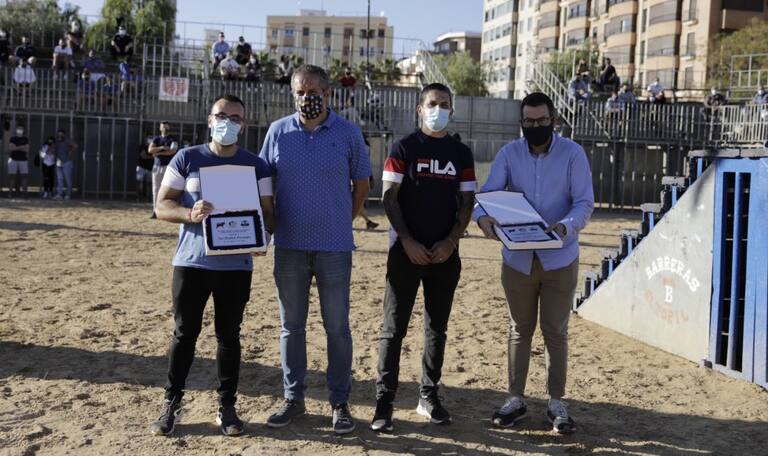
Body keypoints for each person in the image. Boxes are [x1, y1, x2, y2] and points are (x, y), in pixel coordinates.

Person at [149, 94, 275, 437]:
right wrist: (189, 213)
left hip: (236, 267)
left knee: (229, 337)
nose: (227, 123)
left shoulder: (257, 166)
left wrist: (262, 238)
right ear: (209, 120)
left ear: (243, 125)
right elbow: (162, 206)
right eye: (221, 115)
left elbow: (269, 214)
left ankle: (227, 407)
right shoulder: (186, 158)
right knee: (184, 334)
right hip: (191, 262)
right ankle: (171, 403)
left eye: (235, 118)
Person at [259, 64, 371, 435]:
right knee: (291, 327)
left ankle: (340, 401)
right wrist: (271, 221)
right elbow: (264, 182)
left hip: (334, 247)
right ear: (293, 94)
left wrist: (342, 220)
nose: (307, 97)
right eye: (300, 91)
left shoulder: (348, 132)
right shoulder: (278, 131)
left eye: (313, 91)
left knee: (337, 327)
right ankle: (294, 398)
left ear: (327, 94)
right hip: (289, 246)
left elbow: (361, 184)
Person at [474, 92, 594, 435]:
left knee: (555, 331)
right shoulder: (508, 154)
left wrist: (565, 227)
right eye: (529, 121)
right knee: (519, 329)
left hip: (560, 256)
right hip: (518, 259)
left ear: (553, 120)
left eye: (542, 120)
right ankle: (515, 399)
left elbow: (584, 202)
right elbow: (487, 196)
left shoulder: (573, 154)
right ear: (521, 122)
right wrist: (483, 219)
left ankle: (557, 403)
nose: (535, 126)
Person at [370, 83, 476, 433]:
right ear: (420, 109)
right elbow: (389, 197)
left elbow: (467, 202)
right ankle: (384, 401)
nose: (438, 109)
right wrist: (406, 240)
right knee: (393, 329)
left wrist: (451, 241)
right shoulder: (403, 148)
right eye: (432, 103)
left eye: (444, 104)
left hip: (445, 254)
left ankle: (428, 396)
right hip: (405, 253)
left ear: (452, 110)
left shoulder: (461, 153)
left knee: (436, 329)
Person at [147, 121, 178, 218]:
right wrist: (163, 147)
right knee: (155, 189)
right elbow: (150, 150)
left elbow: (172, 151)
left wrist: (158, 153)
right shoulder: (156, 139)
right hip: (157, 166)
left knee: (169, 190)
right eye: (162, 126)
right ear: (160, 128)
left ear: (168, 127)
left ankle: (167, 212)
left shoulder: (173, 139)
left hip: (168, 167)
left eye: (166, 126)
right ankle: (155, 211)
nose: (164, 128)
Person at [6, 124, 30, 196]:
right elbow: (11, 148)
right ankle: (10, 193)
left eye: (21, 129)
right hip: (13, 159)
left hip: (23, 160)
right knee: (12, 176)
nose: (20, 130)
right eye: (18, 128)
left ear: (23, 130)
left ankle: (25, 193)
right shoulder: (12, 138)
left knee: (24, 176)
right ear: (16, 130)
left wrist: (16, 147)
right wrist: (22, 147)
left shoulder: (25, 139)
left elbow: (27, 149)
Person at [53, 129, 77, 200]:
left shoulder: (67, 140)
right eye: (59, 134)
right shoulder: (57, 141)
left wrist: (70, 151)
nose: (60, 136)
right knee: (60, 179)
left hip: (67, 162)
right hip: (59, 162)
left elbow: (75, 145)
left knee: (68, 179)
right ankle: (59, 194)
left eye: (61, 134)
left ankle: (68, 194)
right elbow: (54, 149)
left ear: (64, 134)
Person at [136, 136, 154, 201]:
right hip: (141, 167)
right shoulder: (142, 146)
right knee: (139, 182)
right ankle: (139, 197)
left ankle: (148, 198)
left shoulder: (153, 147)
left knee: (149, 183)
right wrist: (153, 156)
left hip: (150, 167)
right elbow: (143, 156)